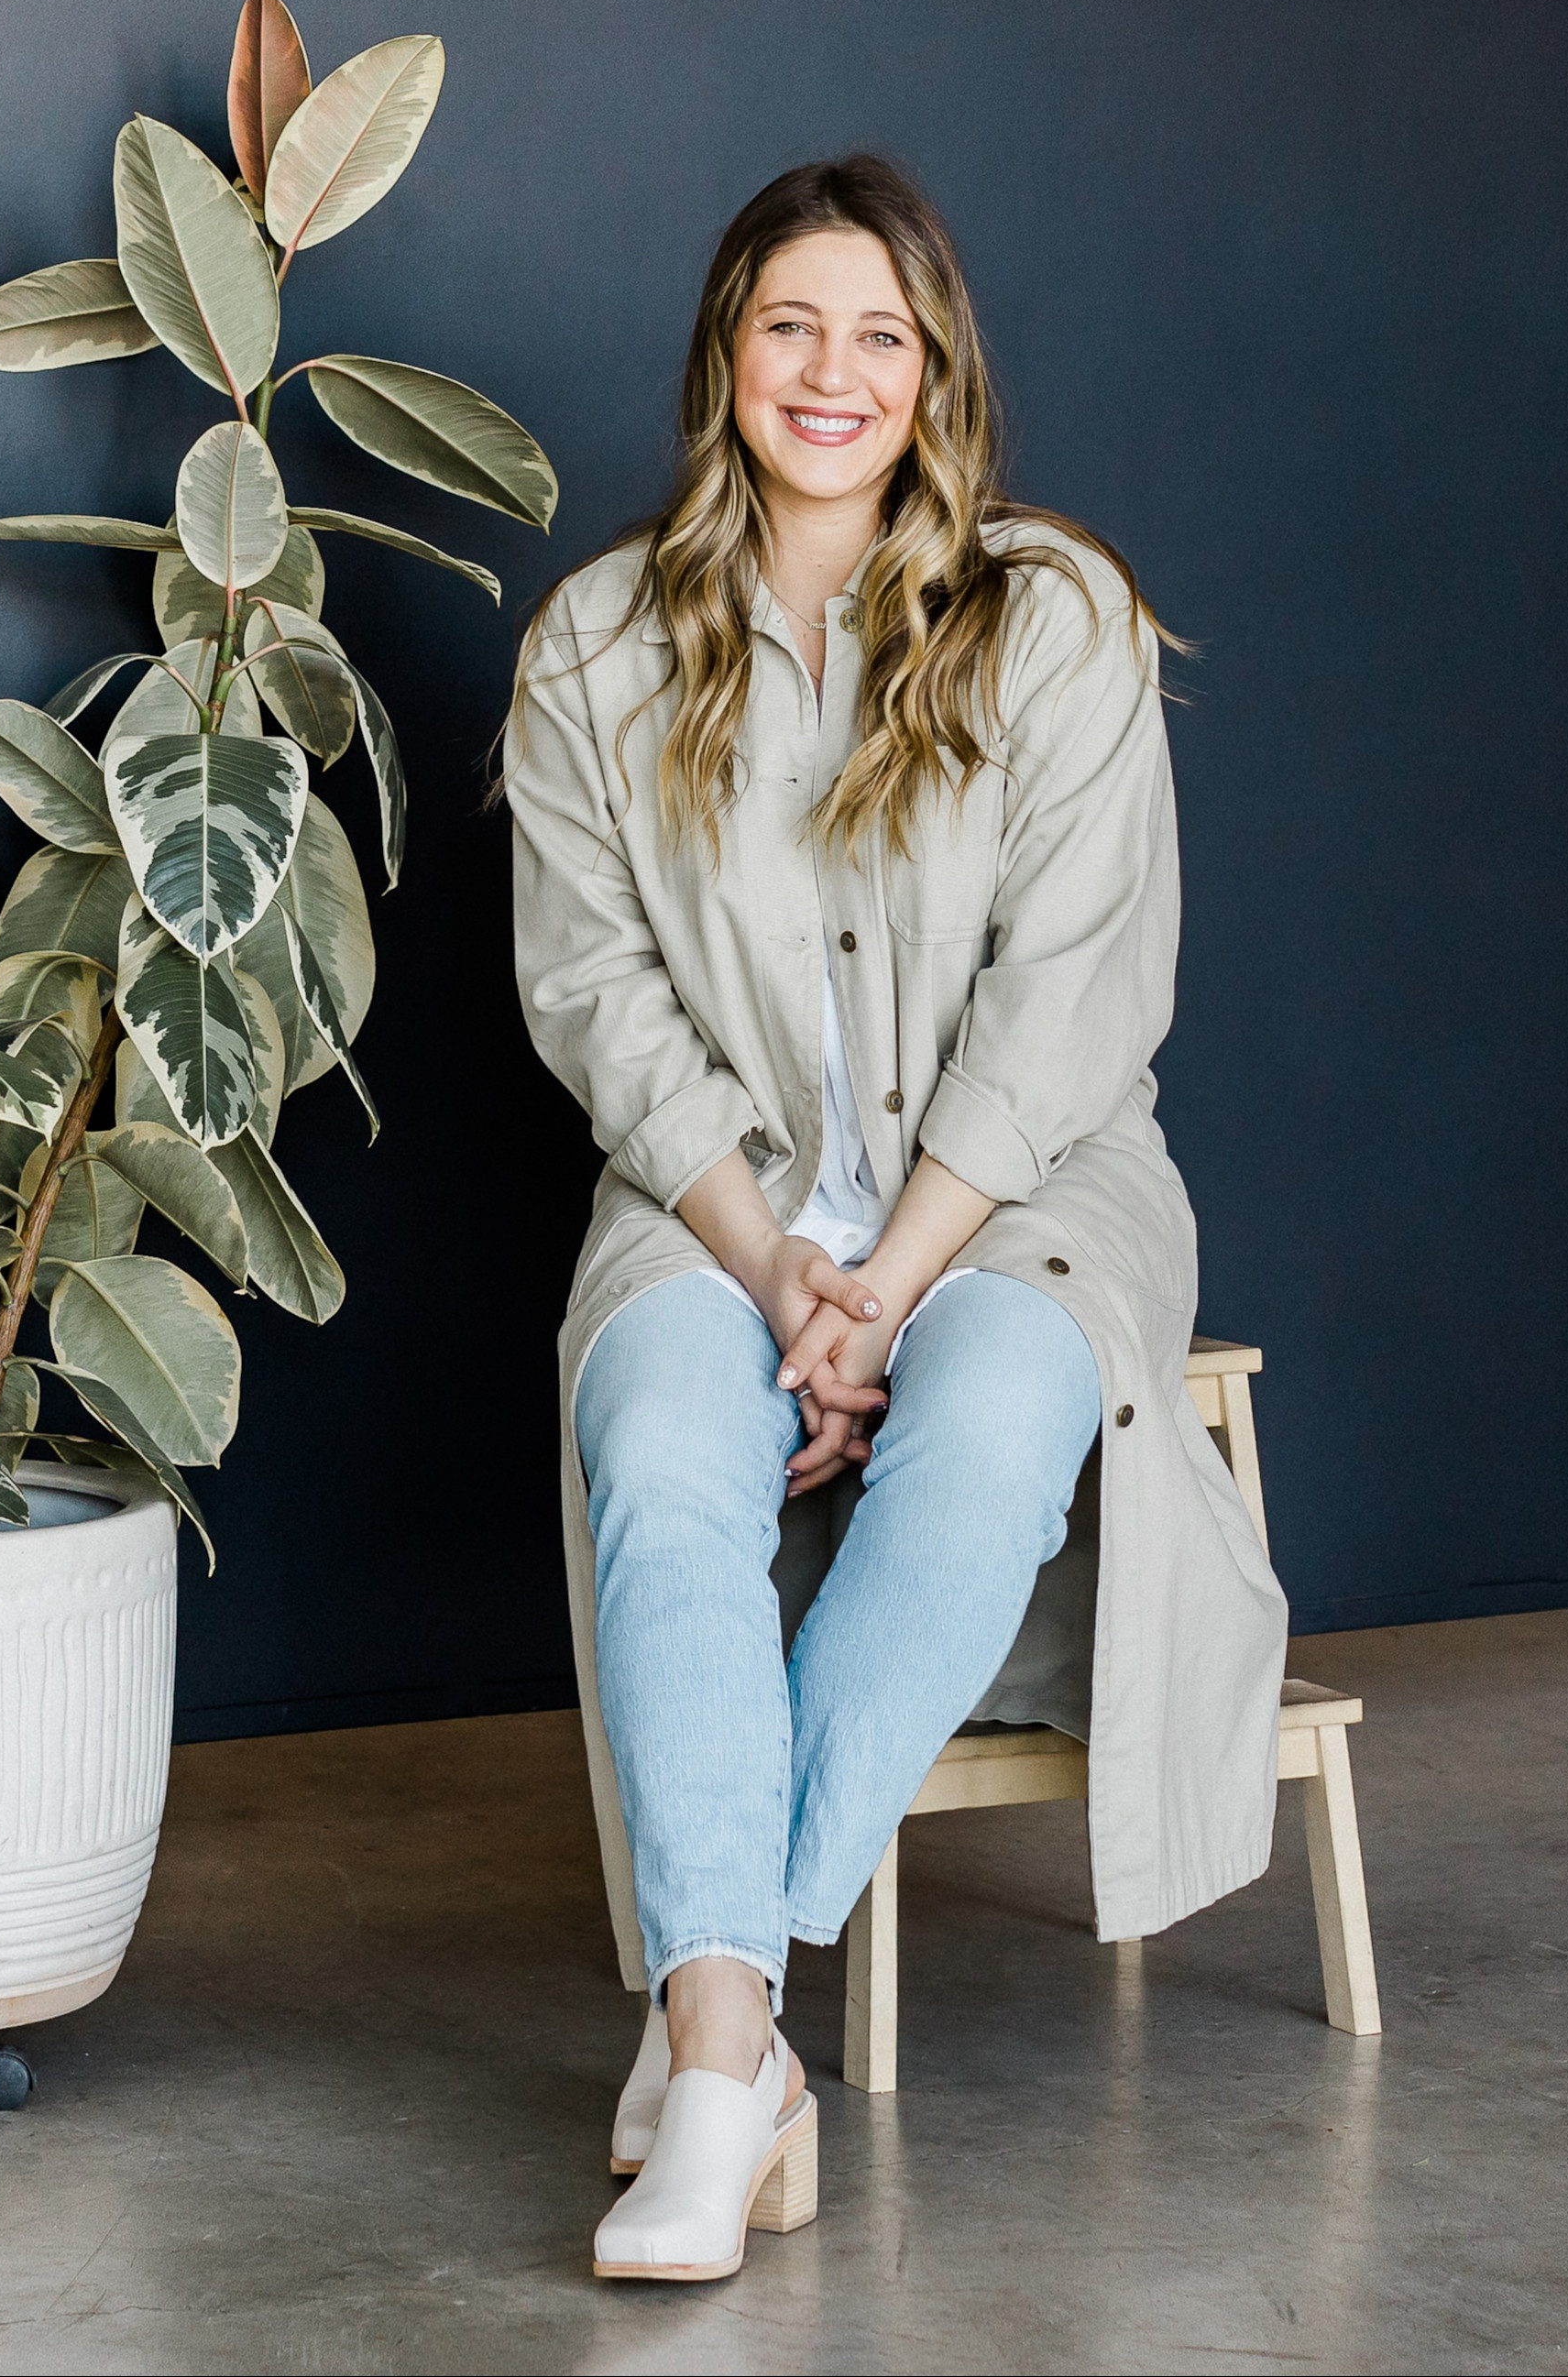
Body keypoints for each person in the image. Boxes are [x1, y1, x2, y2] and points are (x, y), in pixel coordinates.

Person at [506, 155, 1287, 2284]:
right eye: (789, 327)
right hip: (712, 1205)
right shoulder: (597, 644)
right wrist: (779, 1274)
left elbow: (1074, 998)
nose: (832, 373)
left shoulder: (1057, 621)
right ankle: (745, 2046)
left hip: (1027, 1193)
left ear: (934, 368)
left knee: (998, 1425)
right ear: (726, 360)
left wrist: (893, 1284)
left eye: (879, 333)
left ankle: (712, 2049)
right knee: (663, 1451)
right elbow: (597, 998)